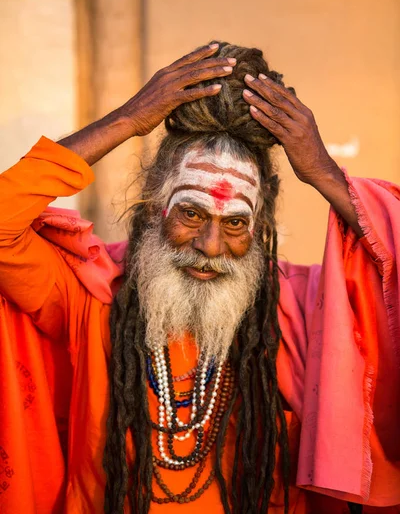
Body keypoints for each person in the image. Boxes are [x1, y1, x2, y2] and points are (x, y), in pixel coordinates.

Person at [0, 41, 399, 514]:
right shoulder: (92, 293)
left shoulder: (299, 311)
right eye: (191, 213)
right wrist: (127, 120)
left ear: (260, 227)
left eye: (235, 223)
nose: (210, 246)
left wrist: (324, 173)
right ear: (155, 206)